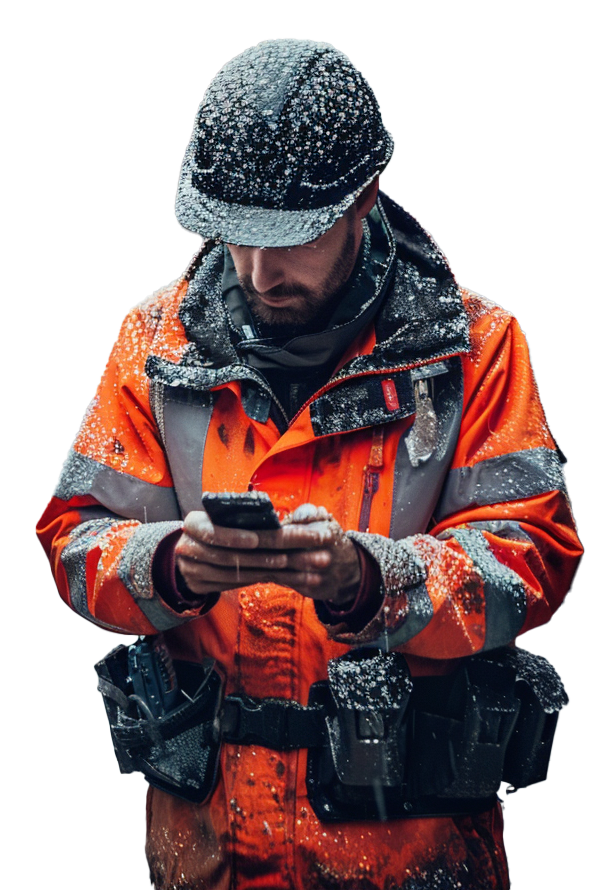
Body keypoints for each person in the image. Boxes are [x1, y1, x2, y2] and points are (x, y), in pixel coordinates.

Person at [36, 38, 582, 890]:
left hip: (413, 858)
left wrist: (372, 578)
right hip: (206, 855)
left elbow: (534, 558)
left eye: (293, 238)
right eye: (236, 235)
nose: (259, 269)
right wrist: (171, 563)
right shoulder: (153, 341)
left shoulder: (476, 349)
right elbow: (74, 542)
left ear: (363, 199)